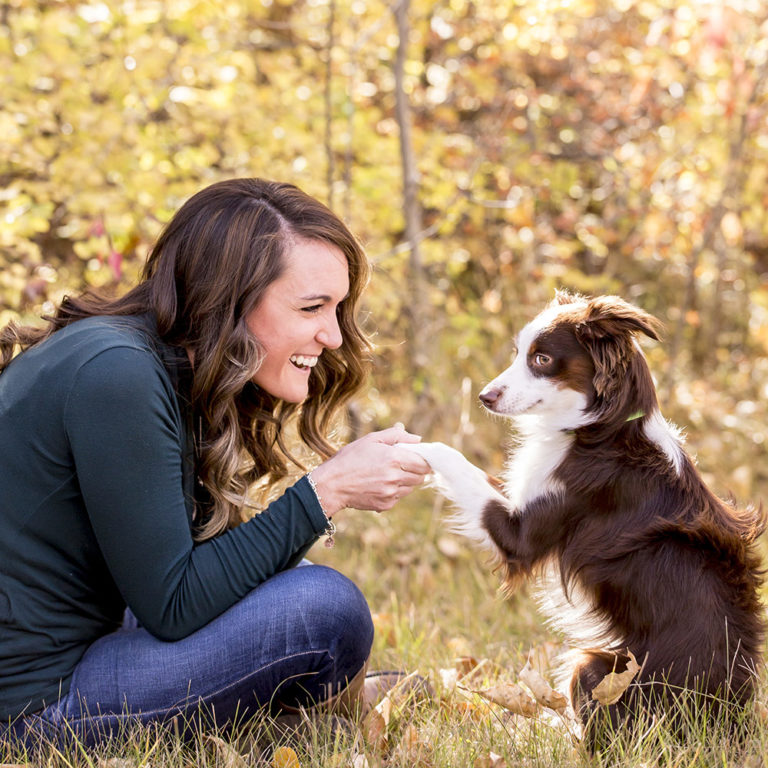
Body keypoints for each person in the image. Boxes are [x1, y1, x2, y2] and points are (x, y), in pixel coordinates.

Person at [0, 178, 430, 747]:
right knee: (322, 607)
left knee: (290, 584)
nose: (331, 334)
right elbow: (173, 605)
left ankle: (304, 710)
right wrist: (323, 492)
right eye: (311, 307)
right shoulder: (118, 375)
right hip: (32, 705)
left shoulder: (146, 356)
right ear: (228, 301)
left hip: (89, 636)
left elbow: (178, 567)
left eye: (338, 306)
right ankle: (299, 713)